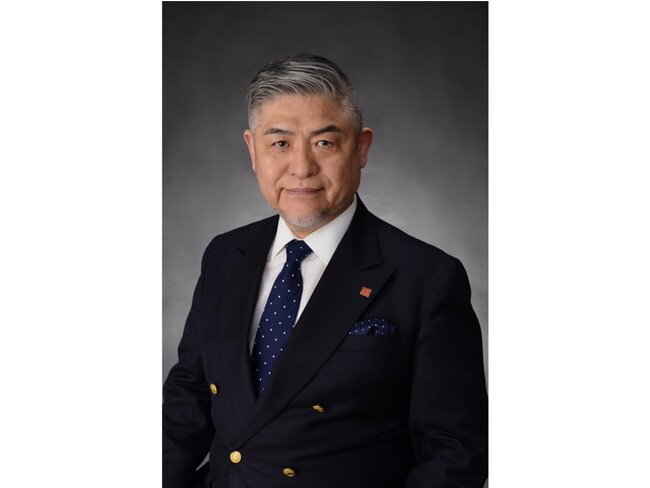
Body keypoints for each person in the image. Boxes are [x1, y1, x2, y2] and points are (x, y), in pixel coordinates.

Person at [163, 53, 488, 488]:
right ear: (253, 150)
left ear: (361, 148)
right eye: (280, 144)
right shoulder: (225, 254)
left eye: (324, 143)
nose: (301, 168)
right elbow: (187, 403)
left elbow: (456, 452)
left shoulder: (427, 278)